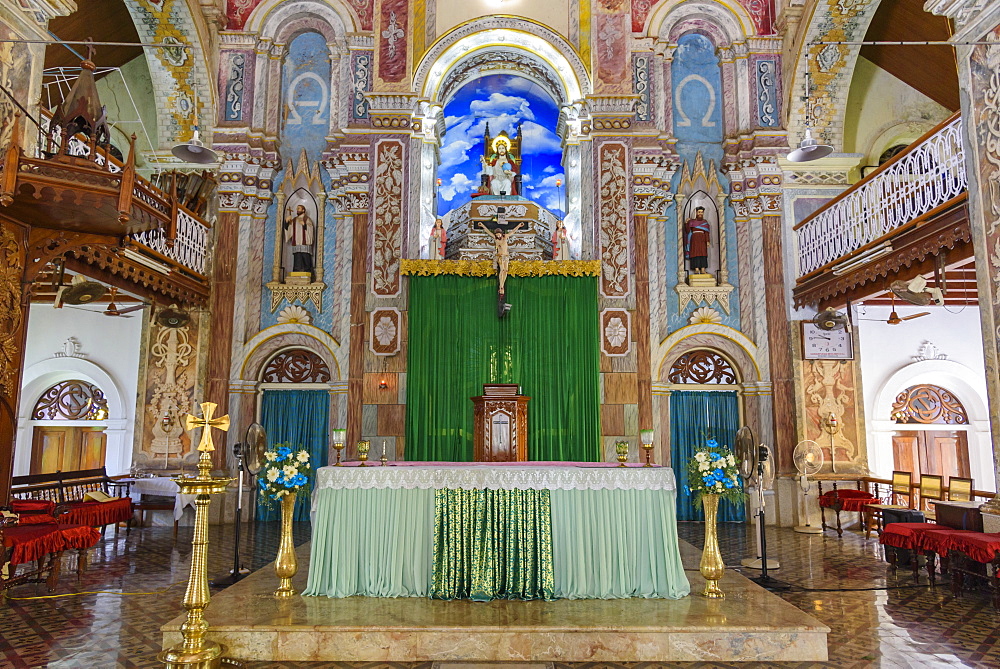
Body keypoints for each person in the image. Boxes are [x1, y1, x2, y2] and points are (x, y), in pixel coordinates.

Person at [478, 220, 523, 295]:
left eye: (499, 234)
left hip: (506, 256)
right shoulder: (495, 239)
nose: (498, 236)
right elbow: (488, 232)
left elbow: (513, 231)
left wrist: (519, 226)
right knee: (502, 270)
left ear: (501, 234)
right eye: (497, 235)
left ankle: (502, 285)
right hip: (500, 256)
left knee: (506, 271)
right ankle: (501, 286)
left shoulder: (505, 237)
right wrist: (482, 225)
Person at [283, 204, 315, 275]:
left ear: (303, 210)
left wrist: (304, 225)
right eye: (297, 209)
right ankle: (297, 271)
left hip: (305, 242)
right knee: (297, 257)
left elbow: (311, 229)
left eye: (299, 208)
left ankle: (307, 271)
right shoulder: (294, 220)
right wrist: (286, 222)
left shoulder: (307, 219)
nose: (297, 210)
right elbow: (289, 230)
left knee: (305, 256)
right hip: (297, 241)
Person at [684, 206, 711, 274]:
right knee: (695, 253)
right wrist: (687, 223)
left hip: (702, 239)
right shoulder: (692, 221)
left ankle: (702, 269)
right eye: (699, 212)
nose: (700, 213)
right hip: (694, 239)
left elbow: (706, 232)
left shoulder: (705, 222)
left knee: (703, 253)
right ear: (696, 212)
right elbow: (687, 231)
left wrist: (707, 241)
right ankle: (696, 269)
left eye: (702, 212)